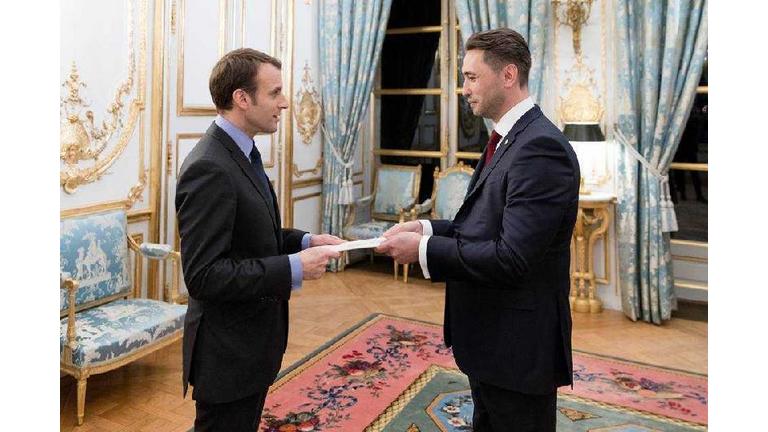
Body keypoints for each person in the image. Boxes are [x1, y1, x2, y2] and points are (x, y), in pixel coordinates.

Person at [377, 28, 580, 431]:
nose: (464, 88)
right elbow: (481, 226)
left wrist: (422, 250)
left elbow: (511, 257)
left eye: (471, 77)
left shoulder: (540, 147)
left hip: (518, 348)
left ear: (508, 75)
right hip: (493, 341)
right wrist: (425, 227)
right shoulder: (509, 139)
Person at [175, 48, 343, 431]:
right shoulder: (209, 166)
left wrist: (306, 242)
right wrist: (293, 268)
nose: (285, 103)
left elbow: (254, 235)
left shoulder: (241, 152)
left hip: (250, 349)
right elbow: (204, 276)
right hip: (227, 356)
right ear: (242, 98)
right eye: (275, 92)